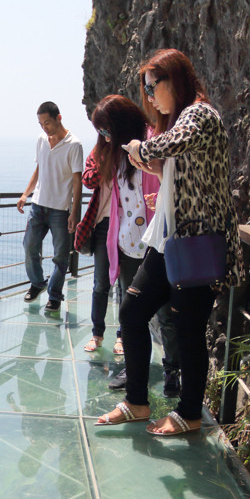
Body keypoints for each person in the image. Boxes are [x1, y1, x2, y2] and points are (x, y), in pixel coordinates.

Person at [96, 48, 244, 435]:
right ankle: (137, 402)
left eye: (152, 85)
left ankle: (189, 413)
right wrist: (159, 181)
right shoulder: (183, 121)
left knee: (188, 327)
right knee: (132, 312)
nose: (148, 96)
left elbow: (166, 145)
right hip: (167, 239)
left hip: (195, 241)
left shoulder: (199, 114)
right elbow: (183, 171)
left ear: (173, 79)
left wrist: (138, 150)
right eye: (144, 88)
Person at [77, 94, 180, 398]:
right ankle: (136, 370)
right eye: (102, 132)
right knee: (131, 314)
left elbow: (171, 182)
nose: (105, 136)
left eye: (107, 130)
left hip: (156, 244)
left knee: (163, 313)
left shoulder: (152, 142)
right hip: (126, 245)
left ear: (121, 124)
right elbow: (95, 180)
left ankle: (173, 371)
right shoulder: (116, 152)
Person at [17, 102, 84, 312]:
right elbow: (39, 169)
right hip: (37, 206)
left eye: (47, 122)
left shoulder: (74, 145)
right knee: (29, 246)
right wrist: (25, 194)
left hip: (60, 210)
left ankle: (54, 296)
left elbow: (77, 182)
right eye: (40, 123)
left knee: (60, 257)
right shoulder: (41, 140)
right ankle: (37, 283)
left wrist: (75, 213)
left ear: (58, 118)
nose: (44, 127)